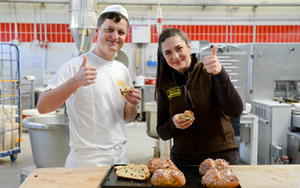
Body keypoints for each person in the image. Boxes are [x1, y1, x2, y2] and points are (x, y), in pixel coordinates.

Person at [37, 5, 141, 167]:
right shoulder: (75, 66)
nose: (115, 36)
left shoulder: (123, 70)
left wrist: (131, 104)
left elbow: (127, 118)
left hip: (120, 158)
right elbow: (42, 106)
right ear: (97, 31)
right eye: (109, 29)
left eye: (121, 32)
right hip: (86, 160)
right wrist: (75, 82)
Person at [154, 28, 243, 166]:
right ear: (163, 56)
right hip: (183, 159)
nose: (175, 56)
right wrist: (173, 123)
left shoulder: (209, 72)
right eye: (168, 53)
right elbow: (162, 132)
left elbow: (235, 111)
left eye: (179, 49)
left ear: (189, 46)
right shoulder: (166, 85)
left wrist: (220, 74)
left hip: (221, 156)